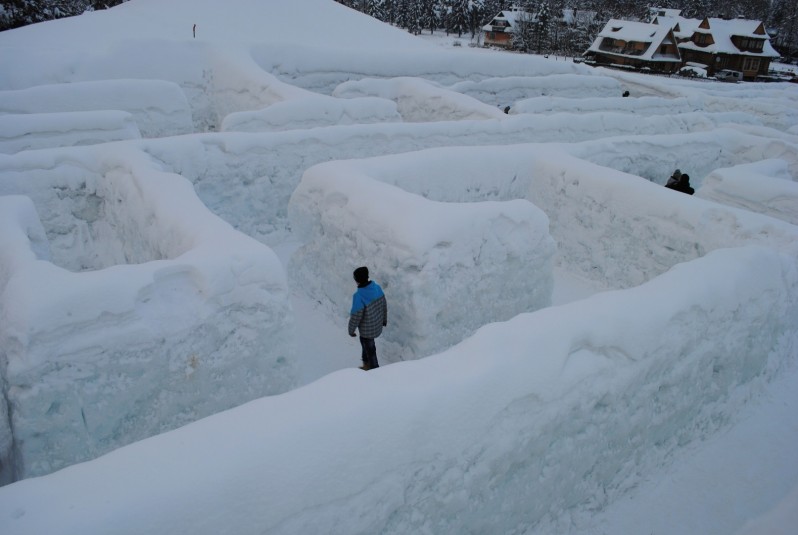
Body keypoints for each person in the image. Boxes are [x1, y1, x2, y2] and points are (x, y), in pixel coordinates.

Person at [348, 266, 388, 371]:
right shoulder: (377, 288)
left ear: (357, 281)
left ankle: (375, 370)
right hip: (377, 325)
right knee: (366, 346)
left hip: (366, 331)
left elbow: (355, 317)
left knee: (370, 349)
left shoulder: (359, 296)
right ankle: (366, 364)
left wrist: (351, 330)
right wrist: (384, 319)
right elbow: (384, 305)